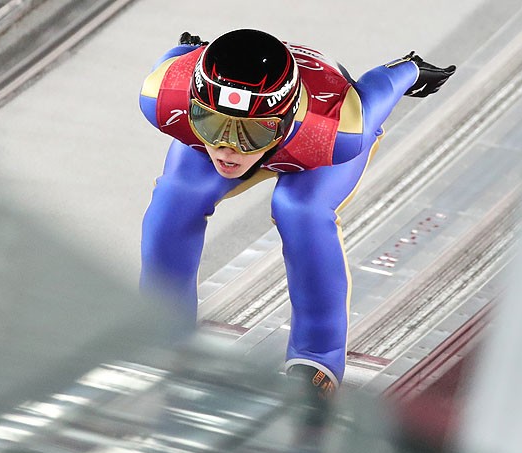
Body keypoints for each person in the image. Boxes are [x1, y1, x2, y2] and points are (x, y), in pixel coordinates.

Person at [138, 29, 455, 405]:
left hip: (309, 146)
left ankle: (318, 357)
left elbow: (376, 89)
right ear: (192, 105)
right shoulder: (163, 92)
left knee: (301, 210)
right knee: (176, 198)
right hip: (291, 134)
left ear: (285, 118)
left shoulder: (338, 127)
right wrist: (192, 53)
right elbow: (179, 60)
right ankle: (162, 329)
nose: (228, 149)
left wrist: (409, 70)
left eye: (252, 132)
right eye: (210, 123)